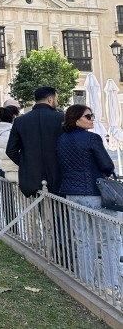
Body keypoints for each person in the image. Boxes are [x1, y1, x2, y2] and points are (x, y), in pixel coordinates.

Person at [56, 105, 118, 290]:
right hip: (95, 194)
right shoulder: (92, 138)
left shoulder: (61, 140)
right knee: (110, 239)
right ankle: (109, 284)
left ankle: (86, 282)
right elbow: (107, 165)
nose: (92, 119)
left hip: (72, 195)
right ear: (76, 120)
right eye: (88, 116)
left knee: (83, 240)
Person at [6, 86, 64, 197]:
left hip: (31, 178)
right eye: (57, 99)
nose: (57, 102)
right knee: (59, 207)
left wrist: (26, 164)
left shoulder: (20, 121)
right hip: (58, 175)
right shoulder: (62, 119)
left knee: (36, 206)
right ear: (50, 99)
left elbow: (10, 150)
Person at [0, 105, 21, 231]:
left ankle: (12, 230)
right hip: (16, 172)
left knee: (9, 203)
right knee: (28, 209)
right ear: (14, 116)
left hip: (5, 170)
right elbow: (13, 152)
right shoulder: (10, 132)